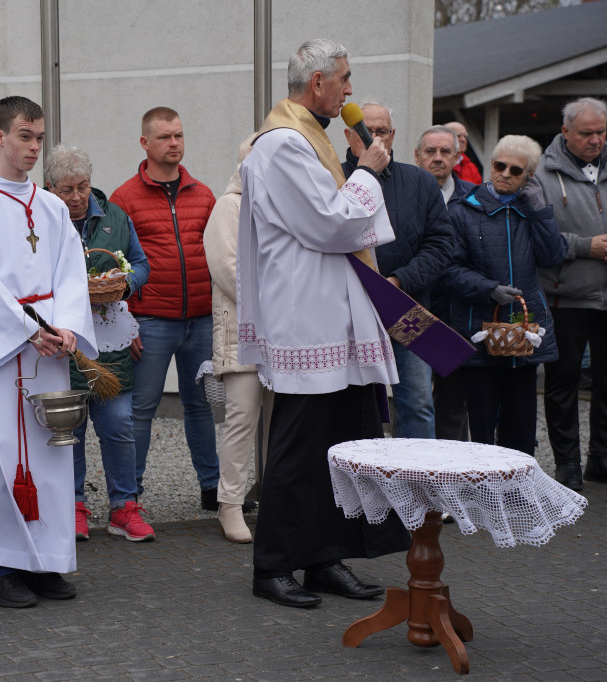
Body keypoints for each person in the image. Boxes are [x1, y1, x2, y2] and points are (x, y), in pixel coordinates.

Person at [237, 38, 410, 608]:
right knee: (299, 448)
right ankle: (273, 565)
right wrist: (367, 171)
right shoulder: (282, 144)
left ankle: (323, 558)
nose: (350, 90)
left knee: (338, 444)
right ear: (317, 83)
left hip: (334, 313)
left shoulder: (310, 139)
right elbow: (332, 224)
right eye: (345, 78)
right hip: (306, 318)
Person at [0, 96, 97, 608]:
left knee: (49, 456)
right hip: (5, 353)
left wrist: (68, 326)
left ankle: (45, 561)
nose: (33, 147)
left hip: (50, 351)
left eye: (38, 137)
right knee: (0, 454)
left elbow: (70, 273)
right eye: (23, 136)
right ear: (0, 137)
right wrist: (25, 330)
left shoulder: (53, 207)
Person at [110, 107, 220, 510]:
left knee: (202, 407)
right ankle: (130, 497)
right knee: (140, 410)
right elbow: (115, 266)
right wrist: (124, 323)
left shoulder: (203, 195)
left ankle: (213, 489)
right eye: (164, 137)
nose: (174, 143)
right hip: (150, 321)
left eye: (178, 135)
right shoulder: (124, 199)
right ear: (145, 143)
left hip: (201, 320)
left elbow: (219, 256)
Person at [44, 144, 153, 542]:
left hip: (110, 340)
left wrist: (125, 284)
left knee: (120, 424)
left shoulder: (115, 217)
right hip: (63, 343)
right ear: (50, 188)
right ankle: (73, 505)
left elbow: (141, 264)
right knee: (69, 428)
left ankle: (124, 507)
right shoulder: (41, 222)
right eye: (66, 190)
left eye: (83, 187)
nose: (76, 197)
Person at [440, 135, 567, 456]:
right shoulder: (463, 211)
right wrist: (488, 289)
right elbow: (448, 270)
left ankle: (517, 487)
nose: (506, 174)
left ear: (529, 176)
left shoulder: (532, 209)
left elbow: (553, 257)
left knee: (521, 430)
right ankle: (482, 487)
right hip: (479, 330)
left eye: (516, 170)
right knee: (481, 430)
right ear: (491, 165)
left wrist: (541, 210)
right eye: (500, 166)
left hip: (524, 332)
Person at [340, 103, 455, 439]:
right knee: (350, 404)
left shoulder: (420, 182)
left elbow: (441, 245)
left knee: (417, 403)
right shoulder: (332, 178)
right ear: (348, 135)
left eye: (381, 131)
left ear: (392, 135)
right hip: (349, 311)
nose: (373, 138)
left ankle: (416, 473)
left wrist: (399, 280)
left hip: (408, 306)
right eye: (365, 131)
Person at [203, 134, 272, 543]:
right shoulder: (229, 205)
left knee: (282, 422)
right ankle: (229, 504)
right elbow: (226, 268)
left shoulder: (283, 207)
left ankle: (276, 497)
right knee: (242, 419)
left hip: (282, 336)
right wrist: (276, 302)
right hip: (243, 331)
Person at [536, 97, 607, 490]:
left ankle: (601, 459)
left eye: (601, 132)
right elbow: (538, 237)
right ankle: (567, 465)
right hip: (565, 299)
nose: (596, 140)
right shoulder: (542, 174)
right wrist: (585, 246)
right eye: (586, 133)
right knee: (562, 383)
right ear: (565, 132)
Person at [415, 125, 476, 442]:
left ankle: (452, 467)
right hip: (413, 309)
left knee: (454, 403)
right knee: (414, 399)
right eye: (430, 151)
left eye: (445, 151)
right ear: (417, 156)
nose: (437, 158)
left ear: (457, 157)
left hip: (457, 312)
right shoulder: (405, 193)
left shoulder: (475, 198)